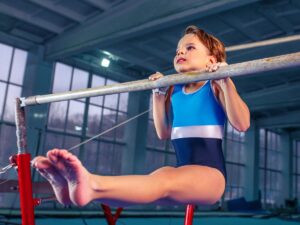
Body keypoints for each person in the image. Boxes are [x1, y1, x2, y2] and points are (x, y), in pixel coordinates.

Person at [32, 25, 250, 207]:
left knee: (164, 179)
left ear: (211, 61)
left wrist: (226, 80)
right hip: (184, 172)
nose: (180, 53)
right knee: (155, 181)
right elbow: (163, 133)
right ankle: (73, 192)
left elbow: (242, 124)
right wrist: (158, 93)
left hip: (211, 176)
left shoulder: (215, 86)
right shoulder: (175, 93)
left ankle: (91, 184)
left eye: (189, 48)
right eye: (178, 50)